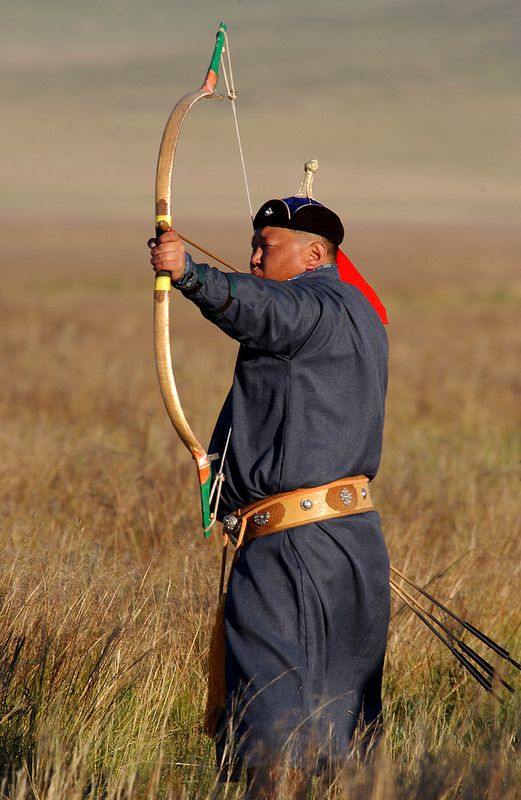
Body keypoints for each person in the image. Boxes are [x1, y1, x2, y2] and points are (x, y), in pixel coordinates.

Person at [149, 190, 390, 798]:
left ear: (315, 254)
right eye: (253, 244)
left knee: (269, 727)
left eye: (268, 246)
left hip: (291, 551)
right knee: (341, 736)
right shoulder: (358, 310)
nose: (254, 257)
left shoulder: (309, 307)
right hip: (350, 545)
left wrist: (188, 274)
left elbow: (259, 309)